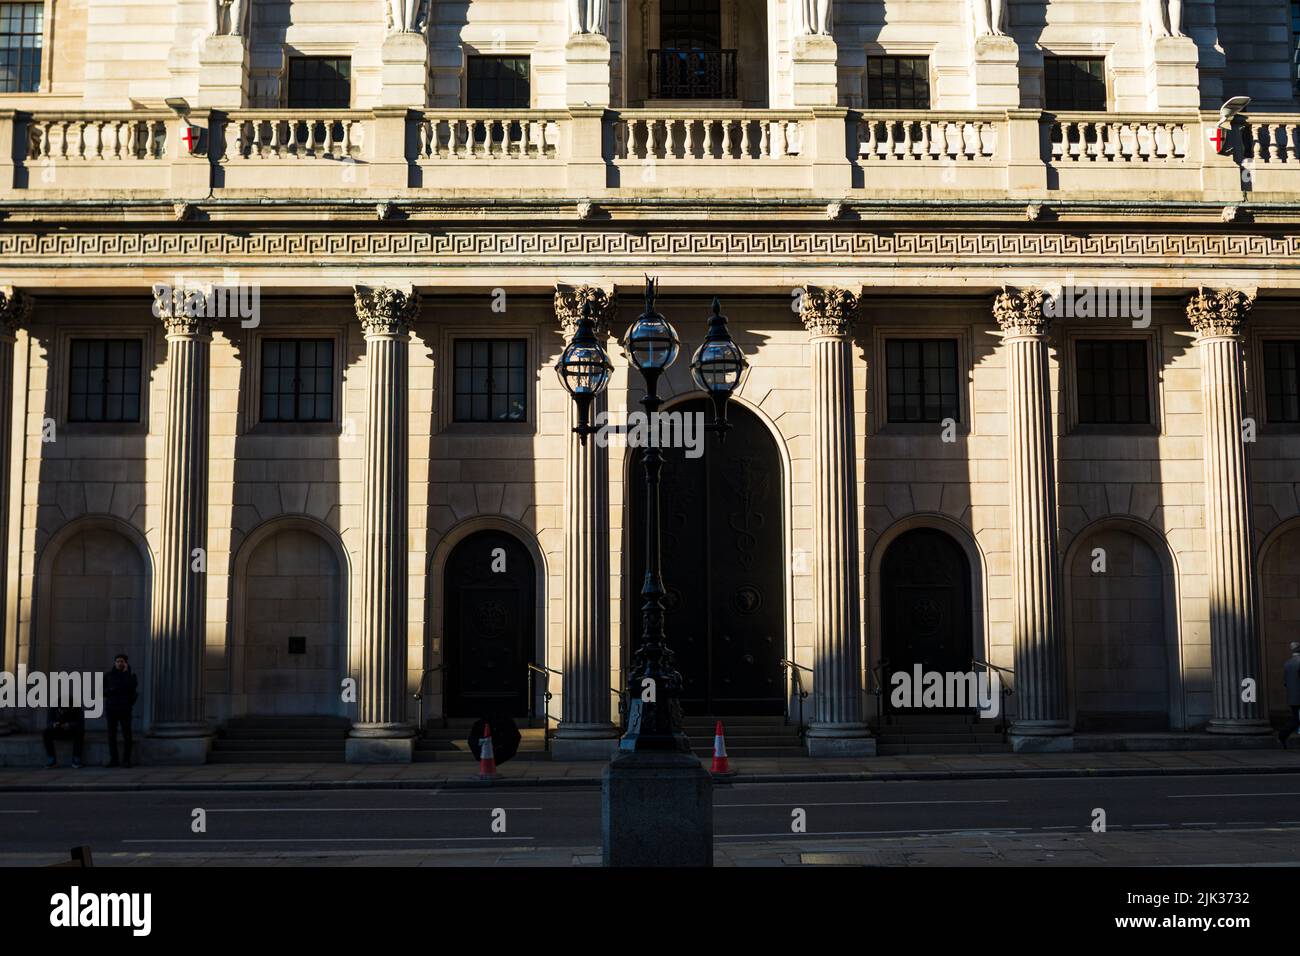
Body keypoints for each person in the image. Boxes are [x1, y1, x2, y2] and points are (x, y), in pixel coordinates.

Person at [104, 653, 138, 768]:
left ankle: (126, 760)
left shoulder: (131, 676)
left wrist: (126, 673)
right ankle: (114, 759)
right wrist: (111, 690)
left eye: (122, 661)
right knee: (111, 735)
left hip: (125, 709)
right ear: (115, 663)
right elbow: (103, 691)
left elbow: (132, 688)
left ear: (126, 663)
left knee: (127, 735)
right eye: (117, 661)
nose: (119, 663)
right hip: (112, 708)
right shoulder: (108, 676)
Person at [1280, 641, 1300, 749]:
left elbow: (1285, 682)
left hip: (1293, 697)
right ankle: (1282, 734)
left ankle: (1282, 735)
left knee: (1296, 719)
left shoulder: (1287, 663)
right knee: (1296, 720)